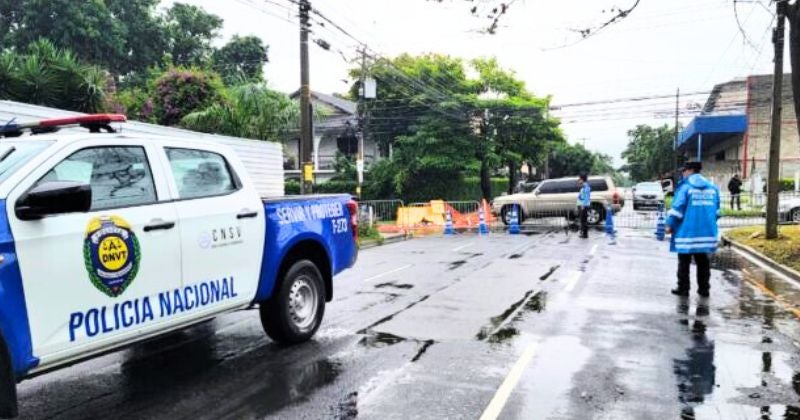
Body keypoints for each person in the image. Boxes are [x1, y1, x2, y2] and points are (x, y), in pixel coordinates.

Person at [666, 161, 721, 298]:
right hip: (706, 234)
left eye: (684, 171)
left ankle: (683, 288)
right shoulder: (712, 188)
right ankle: (704, 290)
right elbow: (717, 212)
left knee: (684, 262)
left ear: (689, 171)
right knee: (703, 262)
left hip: (687, 233)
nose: (683, 174)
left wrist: (669, 225)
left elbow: (678, 209)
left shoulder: (686, 188)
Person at [577, 174, 591, 239]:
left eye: (579, 179)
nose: (578, 180)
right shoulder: (583, 186)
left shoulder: (586, 186)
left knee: (584, 220)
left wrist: (583, 205)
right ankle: (583, 233)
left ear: (582, 179)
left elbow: (586, 197)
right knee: (582, 220)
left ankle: (585, 234)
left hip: (584, 206)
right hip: (582, 205)